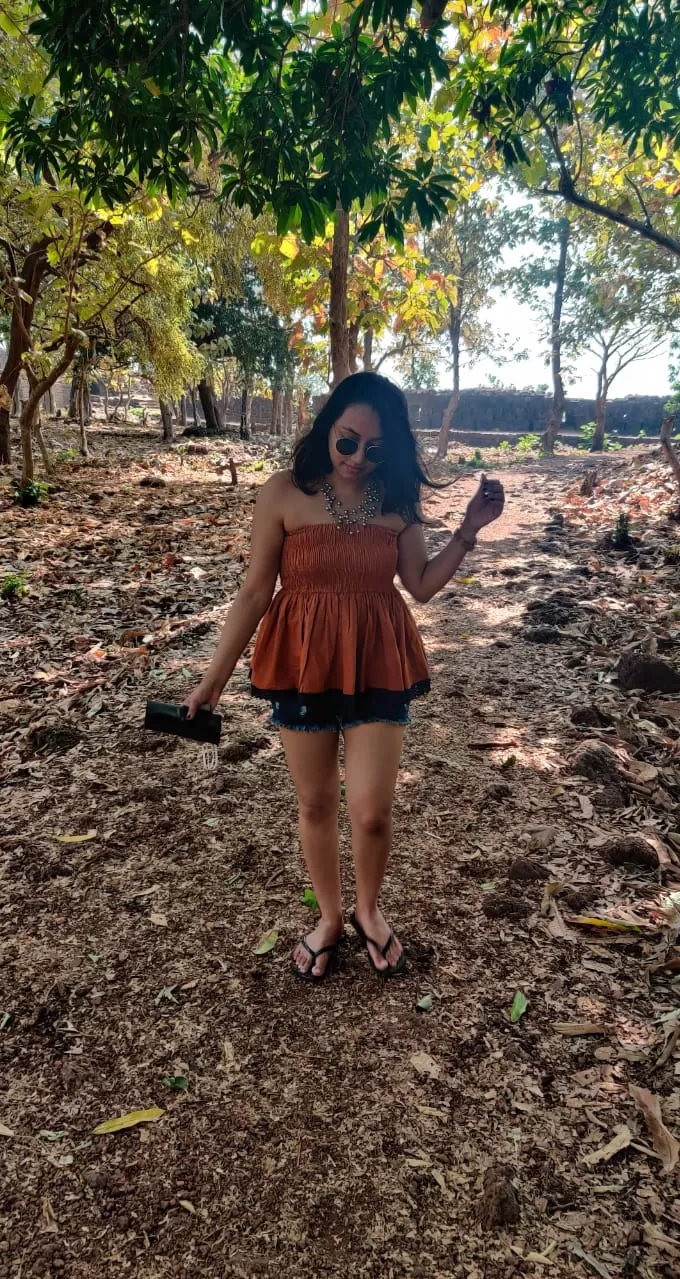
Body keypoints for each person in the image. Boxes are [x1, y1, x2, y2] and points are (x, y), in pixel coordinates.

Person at [184, 372, 504, 981]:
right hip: (303, 663)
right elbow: (255, 592)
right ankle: (329, 918)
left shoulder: (397, 501)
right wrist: (212, 681)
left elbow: (421, 586)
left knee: (372, 811)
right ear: (327, 428)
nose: (358, 458)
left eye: (375, 448)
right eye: (348, 441)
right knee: (315, 801)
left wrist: (468, 532)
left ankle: (368, 911)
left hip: (377, 659)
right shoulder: (283, 492)